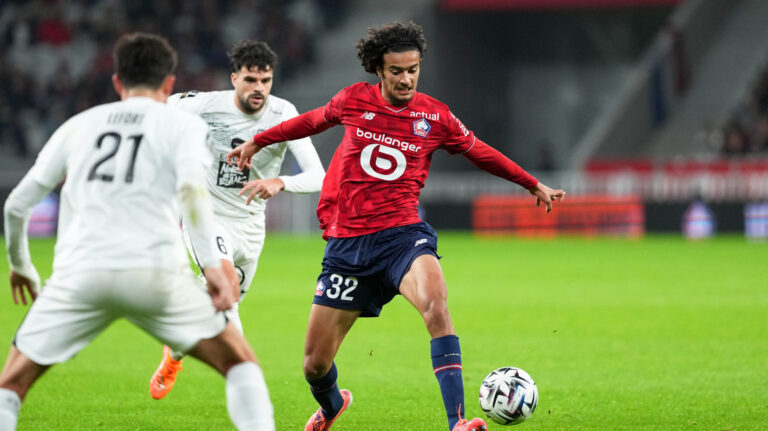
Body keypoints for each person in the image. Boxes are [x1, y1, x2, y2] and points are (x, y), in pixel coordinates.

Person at [228, 21, 566, 431]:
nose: (406, 79)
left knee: (436, 306)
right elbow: (310, 122)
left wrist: (531, 183)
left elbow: (479, 151)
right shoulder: (353, 100)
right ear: (379, 69)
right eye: (397, 71)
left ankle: (457, 422)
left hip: (403, 236)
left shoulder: (435, 115)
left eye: (413, 70)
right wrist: (258, 140)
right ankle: (332, 406)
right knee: (315, 365)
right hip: (348, 246)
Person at [0, 33, 275, 430]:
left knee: (11, 385)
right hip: (155, 274)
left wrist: (21, 265)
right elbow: (193, 195)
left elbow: (16, 205)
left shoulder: (79, 125)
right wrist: (213, 269)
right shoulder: (182, 126)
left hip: (81, 275)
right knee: (240, 364)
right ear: (169, 83)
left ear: (117, 82)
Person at [148, 39, 324, 400]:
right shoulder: (204, 105)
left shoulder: (284, 114)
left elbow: (318, 176)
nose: (259, 88)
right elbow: (154, 108)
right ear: (234, 79)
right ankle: (247, 384)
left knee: (219, 301)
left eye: (265, 81)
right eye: (250, 80)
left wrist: (280, 182)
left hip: (251, 226)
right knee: (225, 290)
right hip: (205, 215)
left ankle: (174, 350)